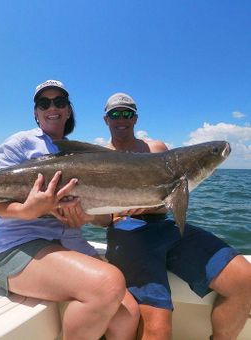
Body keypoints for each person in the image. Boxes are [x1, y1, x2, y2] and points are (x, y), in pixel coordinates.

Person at [0, 81, 140, 340]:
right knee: (108, 283)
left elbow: (103, 218)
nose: (52, 107)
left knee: (129, 314)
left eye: (59, 102)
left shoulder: (81, 154)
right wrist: (29, 210)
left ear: (68, 110)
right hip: (17, 248)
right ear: (36, 113)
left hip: (69, 245)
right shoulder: (20, 144)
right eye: (43, 103)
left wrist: (86, 216)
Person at [103, 92, 251, 340]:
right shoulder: (100, 157)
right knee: (159, 330)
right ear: (106, 119)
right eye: (115, 114)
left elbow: (171, 198)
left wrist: (154, 206)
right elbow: (100, 219)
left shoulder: (156, 148)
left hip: (165, 227)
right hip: (127, 233)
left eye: (127, 113)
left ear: (135, 118)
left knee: (244, 280)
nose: (121, 118)